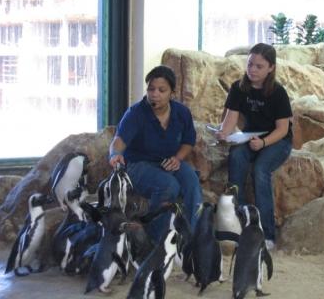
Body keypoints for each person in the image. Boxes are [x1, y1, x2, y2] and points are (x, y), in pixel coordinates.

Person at [109, 65, 203, 243]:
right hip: (138, 165)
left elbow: (188, 142)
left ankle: (193, 239)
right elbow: (119, 140)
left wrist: (177, 159)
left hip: (169, 161)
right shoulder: (136, 113)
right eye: (151, 89)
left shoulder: (182, 113)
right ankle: (156, 240)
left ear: (172, 93)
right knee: (168, 185)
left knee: (191, 182)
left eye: (161, 90)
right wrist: (115, 154)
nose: (155, 94)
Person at [215, 42, 293, 250]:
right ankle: (238, 224)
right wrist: (224, 133)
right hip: (250, 137)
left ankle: (267, 234)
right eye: (250, 64)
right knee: (237, 157)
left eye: (259, 66)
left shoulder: (277, 92)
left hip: (277, 141)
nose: (253, 70)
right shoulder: (239, 88)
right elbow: (230, 119)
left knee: (260, 170)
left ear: (271, 68)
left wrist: (265, 142)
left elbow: (283, 129)